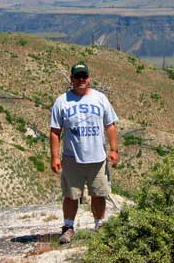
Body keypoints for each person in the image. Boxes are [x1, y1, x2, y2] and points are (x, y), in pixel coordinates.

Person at [50, 62, 119, 244]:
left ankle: (99, 224)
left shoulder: (100, 98)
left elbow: (110, 125)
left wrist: (113, 149)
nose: (81, 80)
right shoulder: (62, 101)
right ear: (71, 79)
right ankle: (68, 227)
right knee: (71, 195)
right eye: (77, 77)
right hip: (72, 158)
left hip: (97, 158)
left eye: (84, 76)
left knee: (98, 193)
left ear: (88, 78)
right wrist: (55, 157)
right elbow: (55, 131)